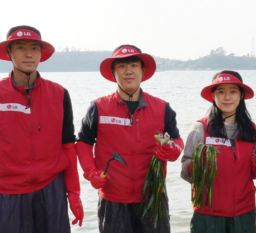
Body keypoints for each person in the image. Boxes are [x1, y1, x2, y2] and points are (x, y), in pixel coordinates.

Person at [0, 25, 83, 232]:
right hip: (6, 191)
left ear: (41, 53)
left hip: (51, 188)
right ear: (9, 52)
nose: (29, 54)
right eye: (21, 47)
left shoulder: (59, 94)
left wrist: (73, 194)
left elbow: (68, 146)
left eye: (35, 48)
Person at [76, 44, 183, 233]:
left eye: (134, 65)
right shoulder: (99, 107)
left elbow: (177, 141)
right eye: (122, 66)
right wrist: (90, 172)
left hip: (153, 198)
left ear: (142, 70)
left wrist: (172, 150)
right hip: (113, 199)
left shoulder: (162, 107)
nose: (128, 71)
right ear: (113, 72)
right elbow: (84, 143)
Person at [180, 70, 256, 233]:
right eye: (221, 92)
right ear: (213, 96)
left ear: (241, 95)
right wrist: (198, 165)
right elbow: (185, 172)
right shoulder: (200, 128)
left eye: (233, 91)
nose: (227, 97)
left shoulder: (251, 130)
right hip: (208, 214)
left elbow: (255, 173)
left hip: (244, 212)